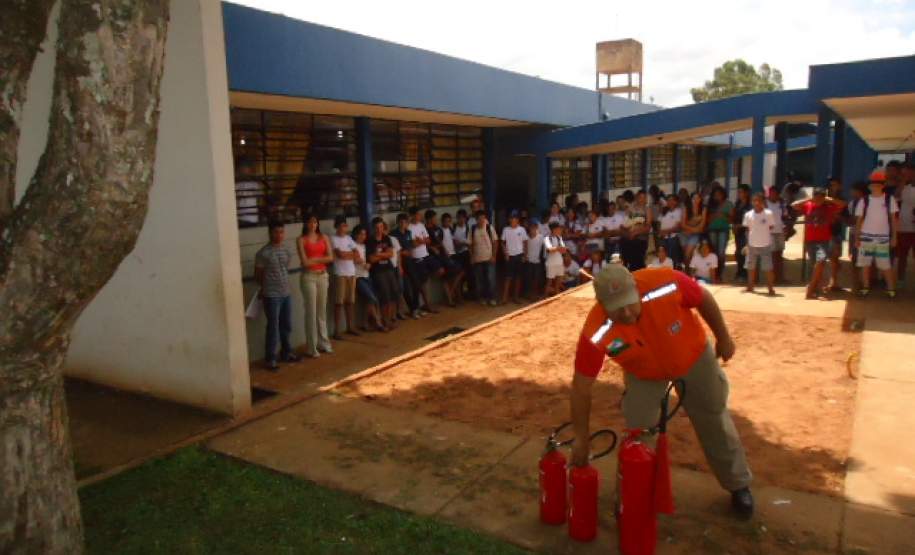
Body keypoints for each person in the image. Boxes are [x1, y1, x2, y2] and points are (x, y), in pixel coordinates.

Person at [570, 263, 754, 520]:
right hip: (643, 372)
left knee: (713, 417)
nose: (626, 313)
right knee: (638, 430)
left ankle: (738, 484)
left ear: (636, 288)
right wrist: (581, 438)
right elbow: (581, 387)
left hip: (692, 356)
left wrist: (723, 337)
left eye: (629, 303)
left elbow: (703, 298)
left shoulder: (666, 282)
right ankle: (633, 492)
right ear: (601, 304)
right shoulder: (596, 329)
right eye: (616, 308)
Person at [255, 222, 301, 370]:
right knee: (273, 326)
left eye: (281, 232)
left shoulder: (286, 250)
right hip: (271, 294)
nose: (279, 235)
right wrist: (264, 288)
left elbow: (285, 268)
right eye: (276, 232)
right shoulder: (263, 253)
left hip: (286, 292)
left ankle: (286, 352)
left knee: (286, 324)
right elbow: (258, 274)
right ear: (270, 233)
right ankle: (270, 358)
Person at [793, 188, 847, 299]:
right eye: (816, 197)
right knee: (814, 265)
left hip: (824, 241)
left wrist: (828, 199)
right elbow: (794, 205)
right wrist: (809, 199)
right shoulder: (808, 205)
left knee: (820, 262)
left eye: (820, 197)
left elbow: (843, 205)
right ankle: (816, 288)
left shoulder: (829, 208)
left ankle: (811, 288)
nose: (818, 200)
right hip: (810, 240)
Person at [855, 170, 898, 298]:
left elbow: (893, 220)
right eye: (873, 184)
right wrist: (857, 238)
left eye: (878, 184)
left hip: (882, 238)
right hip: (866, 237)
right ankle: (865, 287)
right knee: (865, 264)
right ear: (869, 186)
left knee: (885, 264)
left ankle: (891, 289)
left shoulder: (889, 199)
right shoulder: (864, 201)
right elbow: (859, 221)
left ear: (883, 185)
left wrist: (894, 237)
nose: (876, 186)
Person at [297, 215, 334, 359]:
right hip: (309, 276)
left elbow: (330, 257)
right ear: (306, 224)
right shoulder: (301, 239)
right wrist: (319, 260)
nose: (313, 224)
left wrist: (315, 259)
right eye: (310, 222)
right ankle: (311, 347)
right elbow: (305, 262)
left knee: (321, 311)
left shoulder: (324, 237)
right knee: (311, 311)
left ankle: (324, 343)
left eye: (315, 222)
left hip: (322, 275)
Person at [366, 217, 400, 330]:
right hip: (378, 272)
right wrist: (384, 255)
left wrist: (379, 255)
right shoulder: (370, 241)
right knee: (384, 296)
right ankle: (385, 321)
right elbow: (371, 259)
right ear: (373, 228)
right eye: (377, 227)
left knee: (393, 294)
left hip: (389, 269)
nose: (379, 229)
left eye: (381, 227)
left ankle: (390, 319)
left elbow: (391, 254)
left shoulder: (386, 238)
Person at [352, 224, 387, 332]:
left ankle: (365, 322)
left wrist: (368, 264)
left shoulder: (364, 246)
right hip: (358, 276)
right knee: (372, 298)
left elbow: (368, 259)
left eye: (364, 234)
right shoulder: (352, 245)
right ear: (356, 235)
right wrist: (362, 263)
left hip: (366, 275)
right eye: (361, 234)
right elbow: (355, 259)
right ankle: (378, 323)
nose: (363, 236)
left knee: (371, 299)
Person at [331, 215, 359, 339]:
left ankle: (350, 326)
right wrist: (350, 254)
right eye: (341, 225)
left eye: (345, 225)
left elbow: (357, 254)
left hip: (351, 272)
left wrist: (347, 254)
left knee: (350, 302)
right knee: (339, 303)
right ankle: (337, 330)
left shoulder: (349, 238)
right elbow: (340, 255)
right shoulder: (333, 239)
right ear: (336, 226)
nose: (344, 228)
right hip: (340, 273)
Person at [409, 207, 441, 313]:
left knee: (440, 270)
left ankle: (425, 303)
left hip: (426, 255)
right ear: (413, 215)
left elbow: (428, 240)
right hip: (417, 257)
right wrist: (422, 241)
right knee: (422, 283)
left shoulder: (421, 225)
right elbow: (413, 244)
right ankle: (426, 304)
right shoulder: (409, 227)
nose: (420, 216)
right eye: (418, 214)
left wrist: (420, 241)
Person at [743, 193, 776, 296]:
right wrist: (747, 244)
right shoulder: (748, 215)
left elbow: (771, 226)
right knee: (750, 267)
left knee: (768, 268)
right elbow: (747, 229)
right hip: (752, 244)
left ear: (763, 202)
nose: (756, 203)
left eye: (759, 200)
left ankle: (770, 288)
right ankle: (750, 286)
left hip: (765, 244)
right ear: (752, 202)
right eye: (754, 201)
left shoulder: (769, 213)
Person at [470, 210, 499, 306]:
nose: (481, 220)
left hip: (489, 258)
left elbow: (495, 242)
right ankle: (483, 298)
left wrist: (494, 256)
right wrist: (472, 257)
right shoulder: (472, 229)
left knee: (491, 280)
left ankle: (492, 298)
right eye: (479, 218)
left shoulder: (489, 228)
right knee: (480, 281)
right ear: (476, 219)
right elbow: (470, 244)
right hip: (477, 259)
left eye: (483, 218)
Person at [500, 211, 529, 304]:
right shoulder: (505, 230)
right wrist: (505, 253)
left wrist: (525, 255)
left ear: (517, 220)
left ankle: (516, 297)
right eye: (511, 218)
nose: (513, 220)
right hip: (510, 256)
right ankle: (504, 298)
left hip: (519, 255)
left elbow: (525, 243)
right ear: (509, 220)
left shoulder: (522, 229)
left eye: (515, 218)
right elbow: (502, 243)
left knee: (518, 277)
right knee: (508, 277)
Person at [706, 185, 733, 280]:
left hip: (723, 230)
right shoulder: (710, 204)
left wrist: (724, 216)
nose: (717, 196)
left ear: (723, 194)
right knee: (714, 252)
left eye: (719, 194)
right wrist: (714, 215)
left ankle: (720, 273)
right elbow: (706, 220)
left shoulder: (728, 204)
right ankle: (714, 273)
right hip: (712, 230)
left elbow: (732, 219)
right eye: (715, 195)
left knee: (721, 253)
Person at [621, 190, 653, 271]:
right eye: (640, 197)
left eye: (644, 198)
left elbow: (648, 227)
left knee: (638, 265)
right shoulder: (630, 208)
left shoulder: (647, 209)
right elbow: (624, 224)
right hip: (629, 239)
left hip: (640, 240)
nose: (642, 200)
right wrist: (628, 233)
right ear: (637, 197)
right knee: (626, 263)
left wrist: (636, 232)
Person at [826, 177, 848, 292]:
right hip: (823, 233)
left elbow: (845, 214)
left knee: (834, 258)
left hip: (835, 232)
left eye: (835, 185)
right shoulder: (823, 199)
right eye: (831, 185)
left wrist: (837, 216)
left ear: (840, 186)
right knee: (823, 259)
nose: (833, 187)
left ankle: (834, 282)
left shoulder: (841, 199)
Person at [439, 213, 466, 305]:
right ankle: (451, 296)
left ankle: (454, 295)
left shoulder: (451, 229)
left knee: (456, 275)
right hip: (447, 256)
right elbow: (440, 243)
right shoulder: (440, 230)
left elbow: (452, 241)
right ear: (442, 221)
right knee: (450, 277)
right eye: (446, 221)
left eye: (449, 221)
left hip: (453, 254)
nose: (448, 223)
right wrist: (445, 252)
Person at [895, 162, 915, 285]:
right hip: (903, 227)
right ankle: (900, 280)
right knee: (902, 256)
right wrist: (902, 182)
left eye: (906, 173)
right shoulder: (904, 188)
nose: (905, 175)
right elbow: (896, 196)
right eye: (902, 174)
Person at [732, 185, 753, 283]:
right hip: (738, 232)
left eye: (741, 192)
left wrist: (740, 225)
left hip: (746, 231)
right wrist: (734, 226)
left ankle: (745, 274)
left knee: (744, 253)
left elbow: (751, 220)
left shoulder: (750, 206)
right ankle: (740, 271)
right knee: (738, 252)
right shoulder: (737, 204)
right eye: (738, 192)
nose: (739, 194)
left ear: (746, 193)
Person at [766, 187, 787, 283]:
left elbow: (785, 216)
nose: (773, 195)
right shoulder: (765, 204)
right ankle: (773, 278)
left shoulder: (781, 204)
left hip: (780, 231)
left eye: (775, 193)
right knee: (773, 255)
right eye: (771, 193)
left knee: (780, 254)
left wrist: (785, 227)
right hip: (770, 233)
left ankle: (780, 276)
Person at [681, 192, 707, 268]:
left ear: (700, 199)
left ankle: (688, 270)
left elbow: (702, 225)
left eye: (697, 198)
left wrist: (691, 229)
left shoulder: (703, 209)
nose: (696, 200)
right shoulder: (686, 208)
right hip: (684, 234)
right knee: (686, 255)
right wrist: (694, 229)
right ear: (691, 199)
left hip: (694, 234)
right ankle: (687, 270)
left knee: (688, 254)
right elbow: (683, 224)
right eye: (694, 198)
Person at [452, 209, 473, 300]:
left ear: (465, 218)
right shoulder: (453, 228)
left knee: (469, 274)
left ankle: (469, 294)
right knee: (459, 274)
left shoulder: (468, 228)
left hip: (467, 253)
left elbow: (470, 243)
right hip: (457, 254)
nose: (461, 220)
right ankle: (459, 294)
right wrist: (462, 243)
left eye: (462, 218)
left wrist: (462, 243)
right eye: (459, 218)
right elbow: (453, 242)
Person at [658, 194, 684, 269]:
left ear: (676, 202)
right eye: (669, 200)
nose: (670, 202)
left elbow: (678, 227)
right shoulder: (664, 211)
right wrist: (661, 232)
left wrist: (665, 231)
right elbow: (659, 223)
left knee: (672, 259)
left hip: (673, 237)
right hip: (663, 238)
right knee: (663, 258)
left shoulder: (679, 211)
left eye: (672, 200)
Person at [524, 219, 545, 300]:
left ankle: (535, 294)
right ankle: (529, 294)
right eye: (531, 227)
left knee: (536, 279)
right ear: (529, 228)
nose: (532, 228)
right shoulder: (526, 237)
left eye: (534, 227)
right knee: (528, 279)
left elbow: (545, 247)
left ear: (536, 227)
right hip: (528, 261)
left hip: (537, 262)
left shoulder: (541, 237)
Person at [544, 222, 567, 296]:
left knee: (558, 282)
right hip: (550, 263)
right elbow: (550, 250)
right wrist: (558, 248)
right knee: (549, 282)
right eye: (559, 228)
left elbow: (564, 250)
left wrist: (556, 248)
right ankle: (545, 297)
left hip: (559, 262)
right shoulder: (547, 238)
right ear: (554, 229)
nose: (560, 230)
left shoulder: (559, 238)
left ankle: (557, 297)